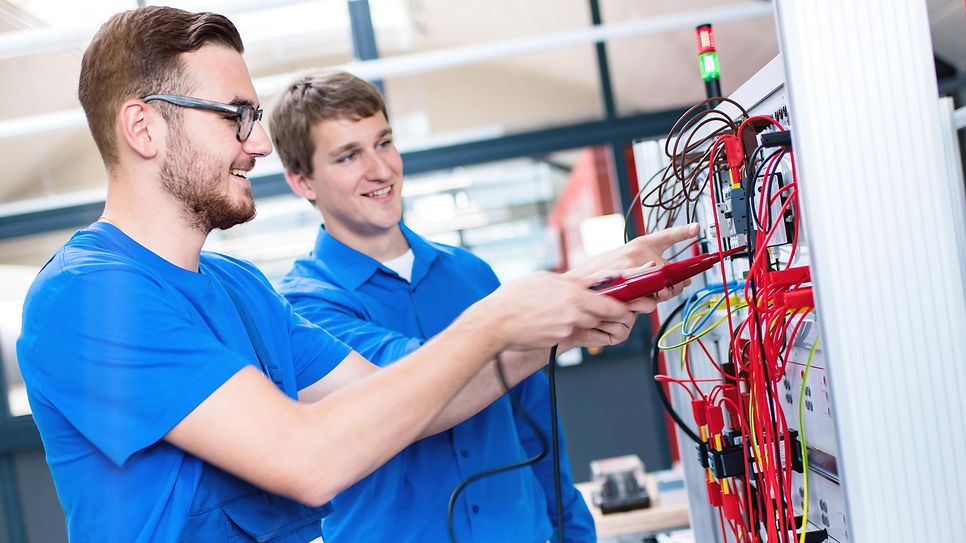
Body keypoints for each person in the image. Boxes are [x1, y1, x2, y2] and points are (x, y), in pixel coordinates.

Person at [14, 6, 689, 543]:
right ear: (143, 127)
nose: (255, 143)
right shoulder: (87, 294)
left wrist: (575, 302)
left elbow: (416, 400)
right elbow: (307, 458)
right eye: (236, 117)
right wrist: (498, 317)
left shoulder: (240, 289)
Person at [270, 71, 699, 542]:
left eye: (384, 142)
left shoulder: (470, 274)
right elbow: (410, 382)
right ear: (302, 181)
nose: (381, 169)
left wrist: (574, 533)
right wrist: (556, 312)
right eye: (349, 155)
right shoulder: (302, 306)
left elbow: (537, 426)